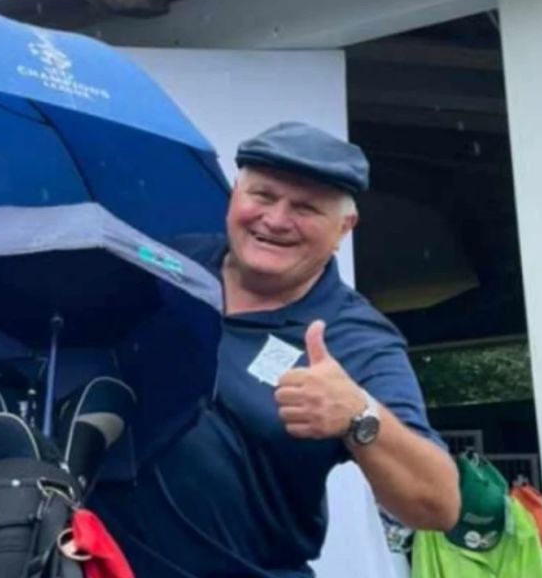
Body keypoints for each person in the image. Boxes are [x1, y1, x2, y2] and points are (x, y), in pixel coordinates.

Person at [92, 121, 461, 578]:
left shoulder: (357, 338)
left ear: (344, 228)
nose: (277, 219)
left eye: (305, 207)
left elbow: (439, 505)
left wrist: (359, 415)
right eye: (263, 195)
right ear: (235, 196)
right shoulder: (164, 268)